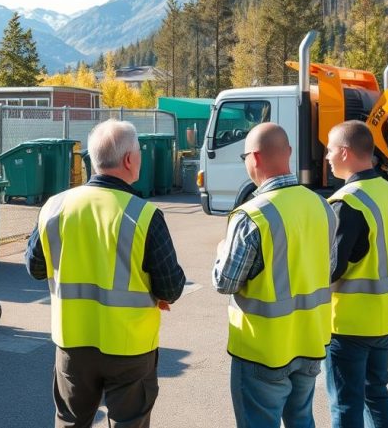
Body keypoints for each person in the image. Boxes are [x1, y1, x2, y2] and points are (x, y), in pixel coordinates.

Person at [25, 119, 186, 428]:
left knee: (70, 421)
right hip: (130, 346)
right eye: (138, 152)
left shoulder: (54, 207)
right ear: (129, 160)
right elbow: (172, 287)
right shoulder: (143, 214)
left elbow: (35, 268)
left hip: (72, 341)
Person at [213, 122, 337, 428]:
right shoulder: (322, 207)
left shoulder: (252, 215)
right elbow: (329, 268)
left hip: (262, 349)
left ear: (254, 158)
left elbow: (225, 281)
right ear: (289, 153)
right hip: (310, 342)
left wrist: (221, 249)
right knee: (301, 420)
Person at [324, 120, 388, 428]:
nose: (326, 156)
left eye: (329, 149)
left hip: (351, 323)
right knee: (376, 394)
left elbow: (332, 268)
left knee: (345, 405)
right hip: (387, 317)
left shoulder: (348, 201)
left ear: (345, 152)